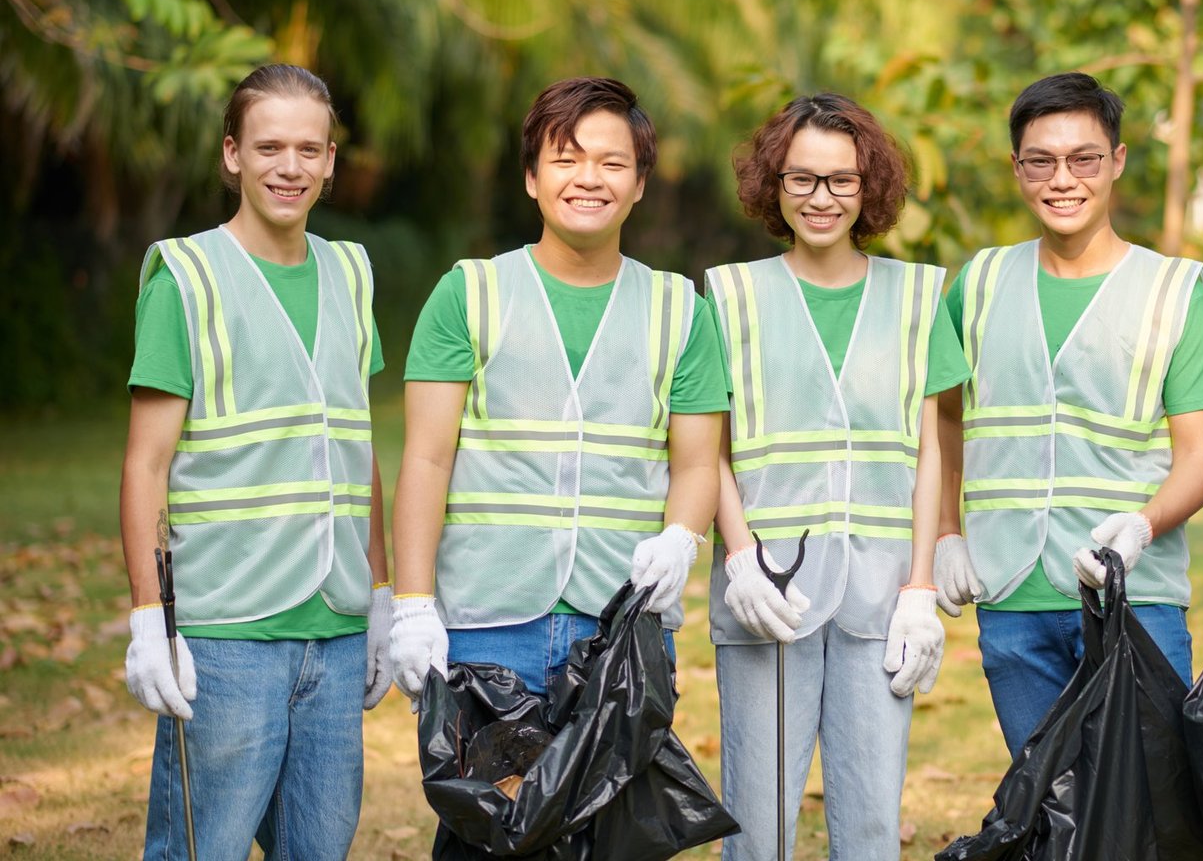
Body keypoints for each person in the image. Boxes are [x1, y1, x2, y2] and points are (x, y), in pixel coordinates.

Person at [119, 64, 391, 860]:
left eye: (310, 149)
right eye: (270, 146)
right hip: (227, 633)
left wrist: (378, 593)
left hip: (334, 632)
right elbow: (144, 466)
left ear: (332, 161)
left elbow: (357, 443)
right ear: (232, 154)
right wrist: (147, 619)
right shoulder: (187, 276)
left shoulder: (351, 272)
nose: (290, 166)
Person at [389, 77, 726, 702]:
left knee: (614, 805)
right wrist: (412, 605)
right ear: (531, 177)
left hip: (624, 620)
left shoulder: (682, 309)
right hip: (485, 624)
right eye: (565, 160)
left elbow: (699, 462)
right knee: (491, 803)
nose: (588, 179)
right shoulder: (468, 295)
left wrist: (681, 538)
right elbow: (426, 459)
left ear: (640, 184)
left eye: (612, 162)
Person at [934, 72, 1203, 757]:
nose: (1062, 179)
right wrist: (947, 533)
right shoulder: (977, 283)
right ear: (1017, 169)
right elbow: (942, 419)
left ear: (1117, 162)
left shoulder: (1173, 291)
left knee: (1146, 806)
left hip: (1135, 598)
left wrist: (1142, 525)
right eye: (1041, 160)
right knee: (1044, 807)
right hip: (1011, 594)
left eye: (1084, 159)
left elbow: (1201, 458)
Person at [706, 93, 967, 861]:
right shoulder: (731, 298)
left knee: (872, 828)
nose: (822, 198)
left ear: (869, 186)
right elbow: (704, 451)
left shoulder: (919, 298)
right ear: (774, 186)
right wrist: (738, 556)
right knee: (759, 824)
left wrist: (921, 585)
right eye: (802, 179)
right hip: (770, 597)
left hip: (883, 598)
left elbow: (930, 451)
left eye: (842, 181)